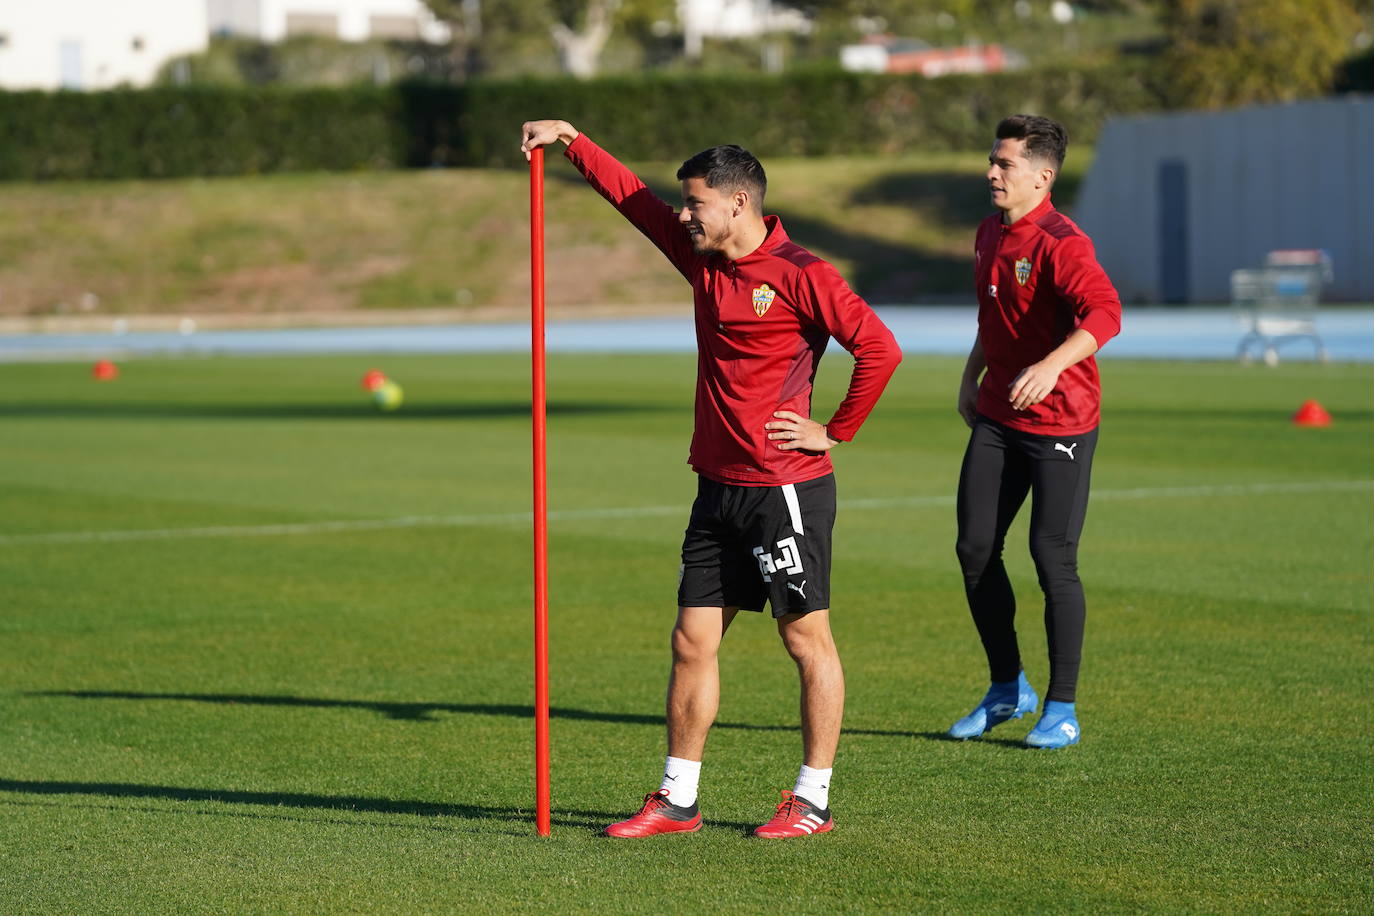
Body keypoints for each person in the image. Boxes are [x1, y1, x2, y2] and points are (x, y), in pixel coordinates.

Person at [520, 120, 902, 837]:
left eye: (695, 203)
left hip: (783, 486)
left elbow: (880, 349)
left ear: (737, 203)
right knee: (692, 641)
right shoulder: (700, 257)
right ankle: (677, 799)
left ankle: (812, 799)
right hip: (716, 486)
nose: (684, 214)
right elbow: (632, 200)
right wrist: (573, 142)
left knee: (805, 640)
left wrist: (835, 430)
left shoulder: (801, 273)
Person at [949, 114, 1121, 749]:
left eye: (1006, 164)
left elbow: (1107, 312)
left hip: (1062, 423)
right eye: (992, 161)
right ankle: (1007, 688)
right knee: (973, 549)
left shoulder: (1063, 242)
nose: (991, 172)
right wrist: (972, 373)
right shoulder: (989, 231)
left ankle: (1063, 706)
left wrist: (1051, 365)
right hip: (998, 411)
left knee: (1052, 558)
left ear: (1043, 176)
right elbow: (994, 311)